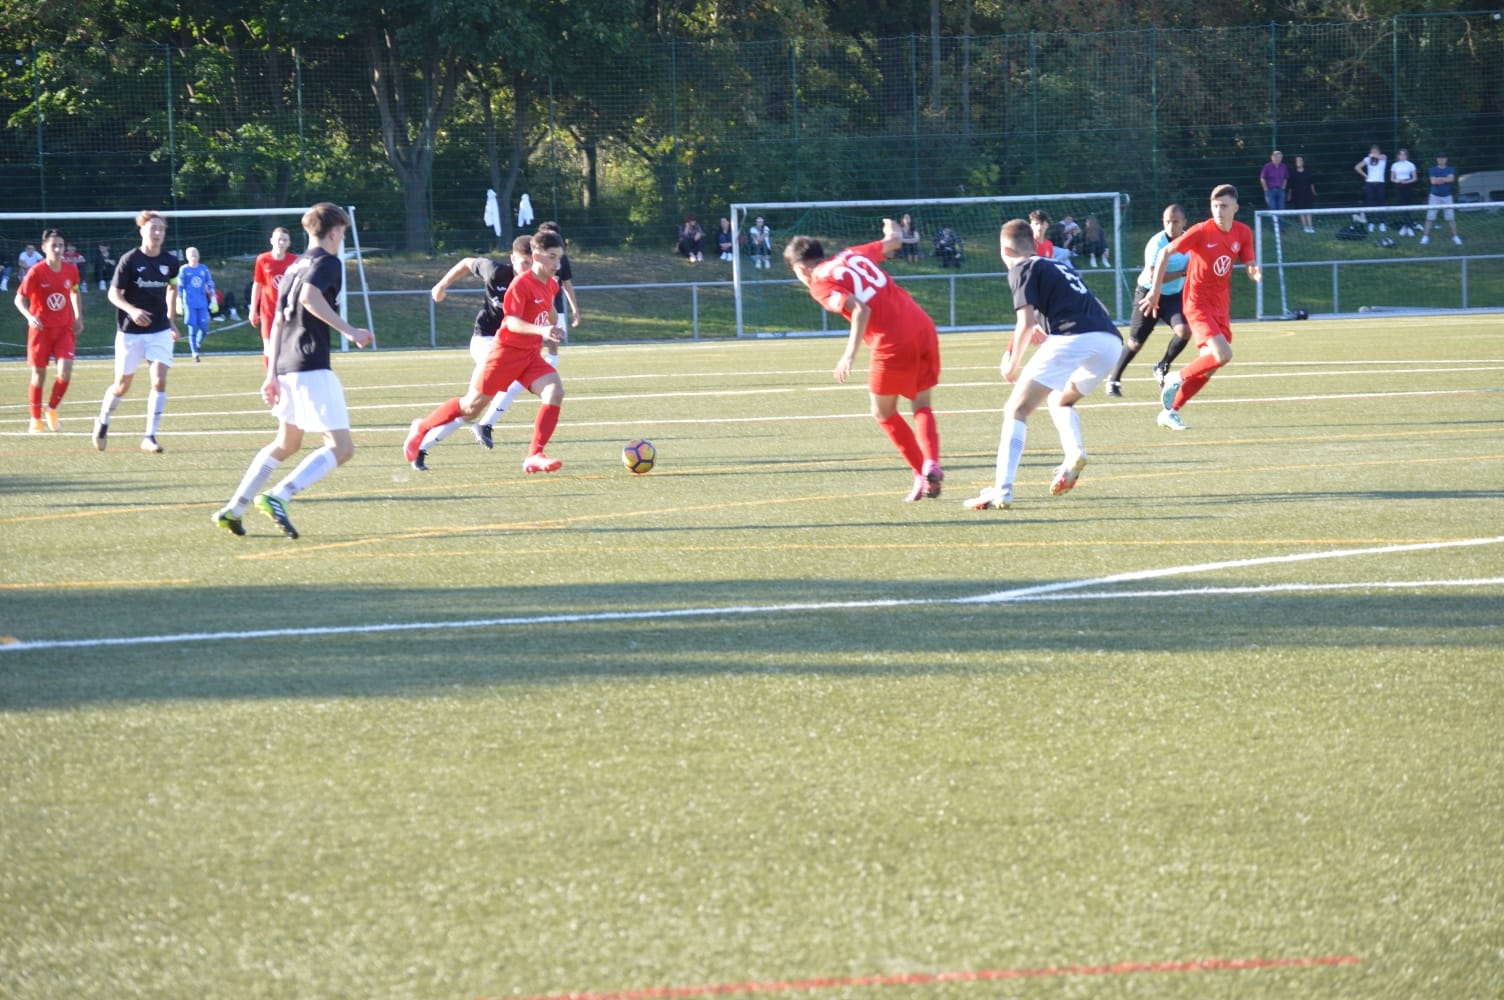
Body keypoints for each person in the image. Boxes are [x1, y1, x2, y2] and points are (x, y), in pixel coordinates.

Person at [213, 203, 374, 539]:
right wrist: (351, 332)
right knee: (342, 448)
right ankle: (279, 494)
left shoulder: (294, 266)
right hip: (310, 365)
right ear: (334, 232)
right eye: (343, 233)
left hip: (286, 366)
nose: (342, 239)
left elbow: (277, 322)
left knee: (286, 443)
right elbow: (309, 298)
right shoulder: (327, 262)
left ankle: (234, 509)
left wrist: (271, 373)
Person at [964, 220, 1123, 511]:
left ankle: (1002, 490)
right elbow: (1099, 307)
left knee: (1016, 409)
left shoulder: (1020, 267)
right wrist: (1049, 330)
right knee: (1060, 400)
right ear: (1035, 244)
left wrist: (1011, 363)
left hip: (1073, 338)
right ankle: (1073, 453)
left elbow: (1024, 323)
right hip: (1110, 341)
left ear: (1005, 249)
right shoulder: (1057, 266)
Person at [783, 218, 945, 501]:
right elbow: (894, 242)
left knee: (883, 412)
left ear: (800, 268)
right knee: (921, 404)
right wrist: (891, 229)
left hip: (892, 341)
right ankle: (931, 462)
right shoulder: (851, 253)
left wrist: (849, 355)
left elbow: (861, 310)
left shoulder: (820, 283)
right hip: (922, 324)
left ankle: (920, 471)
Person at [403, 229, 569, 476]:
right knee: (470, 408)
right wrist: (542, 330)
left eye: (559, 258)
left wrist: (553, 335)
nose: (557, 264)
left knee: (554, 391)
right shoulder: (520, 284)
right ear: (537, 256)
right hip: (505, 354)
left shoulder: (551, 284)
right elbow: (511, 322)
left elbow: (549, 312)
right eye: (552, 257)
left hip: (530, 356)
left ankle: (534, 455)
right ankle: (423, 426)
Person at [1145, 184, 1261, 431]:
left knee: (1211, 365)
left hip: (1220, 306)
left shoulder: (1242, 232)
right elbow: (1165, 253)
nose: (1218, 211)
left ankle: (1170, 412)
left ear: (1235, 208)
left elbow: (1249, 260)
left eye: (1224, 206)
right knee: (1223, 355)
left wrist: (1253, 271)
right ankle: (1176, 377)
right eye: (1215, 206)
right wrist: (1154, 291)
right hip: (1197, 303)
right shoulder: (1201, 231)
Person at [413, 234, 531, 465]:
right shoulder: (496, 272)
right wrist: (441, 285)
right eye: (523, 262)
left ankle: (424, 446)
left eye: (532, 263)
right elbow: (467, 262)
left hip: (512, 346)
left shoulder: (539, 283)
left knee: (473, 407)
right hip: (486, 340)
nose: (527, 268)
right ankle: (481, 425)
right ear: (512, 259)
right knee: (481, 398)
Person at [94, 210, 180, 454]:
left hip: (159, 329)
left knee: (159, 380)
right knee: (122, 385)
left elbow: (172, 288)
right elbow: (113, 293)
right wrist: (132, 311)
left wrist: (171, 320)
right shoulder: (130, 260)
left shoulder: (171, 262)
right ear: (142, 231)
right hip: (130, 331)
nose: (157, 233)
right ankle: (103, 420)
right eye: (153, 228)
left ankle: (149, 436)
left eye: (161, 229)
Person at [1105, 204, 1191, 398]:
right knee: (1135, 342)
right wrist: (1183, 273)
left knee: (1185, 331)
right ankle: (1114, 379)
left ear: (1184, 222)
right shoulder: (1156, 243)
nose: (1171, 226)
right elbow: (1153, 276)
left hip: (1173, 296)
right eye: (1167, 222)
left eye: (1176, 221)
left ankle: (1162, 366)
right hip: (1148, 294)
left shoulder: (1190, 240)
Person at [13, 229, 82, 433]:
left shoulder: (71, 270)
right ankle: (35, 419)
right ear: (44, 248)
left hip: (64, 329)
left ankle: (51, 409)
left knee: (65, 371)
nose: (58, 249)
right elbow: (19, 299)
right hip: (41, 330)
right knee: (38, 375)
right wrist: (30, 316)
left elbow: (74, 291)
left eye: (61, 245)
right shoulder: (36, 271)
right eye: (53, 246)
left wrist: (78, 316)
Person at [250, 226, 296, 366]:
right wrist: (253, 310)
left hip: (288, 311)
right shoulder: (262, 259)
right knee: (269, 348)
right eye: (279, 239)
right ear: (271, 241)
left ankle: (285, 376)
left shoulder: (295, 261)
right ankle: (271, 377)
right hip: (268, 312)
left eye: (284, 240)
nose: (281, 243)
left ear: (289, 243)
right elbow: (257, 285)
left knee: (289, 348)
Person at [177, 246, 216, 362]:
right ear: (187, 257)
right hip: (190, 304)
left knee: (204, 328)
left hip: (202, 303)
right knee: (192, 328)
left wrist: (213, 299)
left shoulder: (203, 269)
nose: (194, 257)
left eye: (196, 254)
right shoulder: (184, 270)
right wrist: (178, 301)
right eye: (192, 255)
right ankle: (195, 353)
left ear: (199, 256)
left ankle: (198, 343)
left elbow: (209, 283)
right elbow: (179, 286)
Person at [1420, 152, 1462, 246]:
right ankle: (1425, 236)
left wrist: (1440, 179)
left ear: (1446, 159)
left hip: (1447, 196)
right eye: (1439, 158)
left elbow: (1451, 179)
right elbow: (1433, 181)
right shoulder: (1433, 170)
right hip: (1434, 196)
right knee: (1430, 217)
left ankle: (1455, 236)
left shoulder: (1450, 169)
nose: (1441, 160)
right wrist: (1445, 179)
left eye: (1443, 158)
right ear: (1437, 159)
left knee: (1450, 217)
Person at [1354, 145, 1387, 231]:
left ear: (1379, 152)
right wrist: (1365, 176)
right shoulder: (1367, 159)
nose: (1374, 153)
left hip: (1380, 183)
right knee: (1369, 203)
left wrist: (1373, 155)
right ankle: (1371, 223)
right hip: (1369, 184)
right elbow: (1357, 167)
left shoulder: (1383, 157)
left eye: (1376, 151)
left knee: (1381, 203)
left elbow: (1379, 157)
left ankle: (1382, 223)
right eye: (1372, 151)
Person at [1389, 148, 1419, 235]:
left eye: (1404, 154)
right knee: (1402, 206)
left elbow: (1415, 178)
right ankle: (1405, 226)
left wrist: (1407, 182)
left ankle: (1408, 227)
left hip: (1408, 185)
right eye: (1401, 154)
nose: (1402, 156)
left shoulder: (1411, 165)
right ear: (1398, 156)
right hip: (1399, 185)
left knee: (1408, 205)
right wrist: (1397, 181)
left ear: (1407, 156)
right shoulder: (1395, 165)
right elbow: (1392, 178)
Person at [1289, 155, 1318, 233]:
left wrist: (1314, 192)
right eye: (1297, 161)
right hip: (1297, 194)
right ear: (1295, 162)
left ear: (1303, 162)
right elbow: (1291, 186)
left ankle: (1310, 226)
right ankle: (1305, 227)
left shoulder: (1308, 171)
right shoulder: (1292, 173)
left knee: (1308, 210)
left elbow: (1311, 183)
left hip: (1307, 194)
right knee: (1301, 211)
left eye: (1300, 160)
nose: (1299, 162)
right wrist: (1289, 196)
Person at [1259, 150, 1289, 219]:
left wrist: (1283, 187)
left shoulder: (1284, 167)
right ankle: (1275, 225)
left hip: (1280, 190)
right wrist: (1266, 189)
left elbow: (1285, 178)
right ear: (1272, 157)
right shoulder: (1267, 166)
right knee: (1272, 209)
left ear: (1281, 158)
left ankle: (1281, 225)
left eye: (1279, 157)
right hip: (1270, 190)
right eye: (1275, 157)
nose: (1277, 158)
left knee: (1282, 208)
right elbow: (1262, 178)